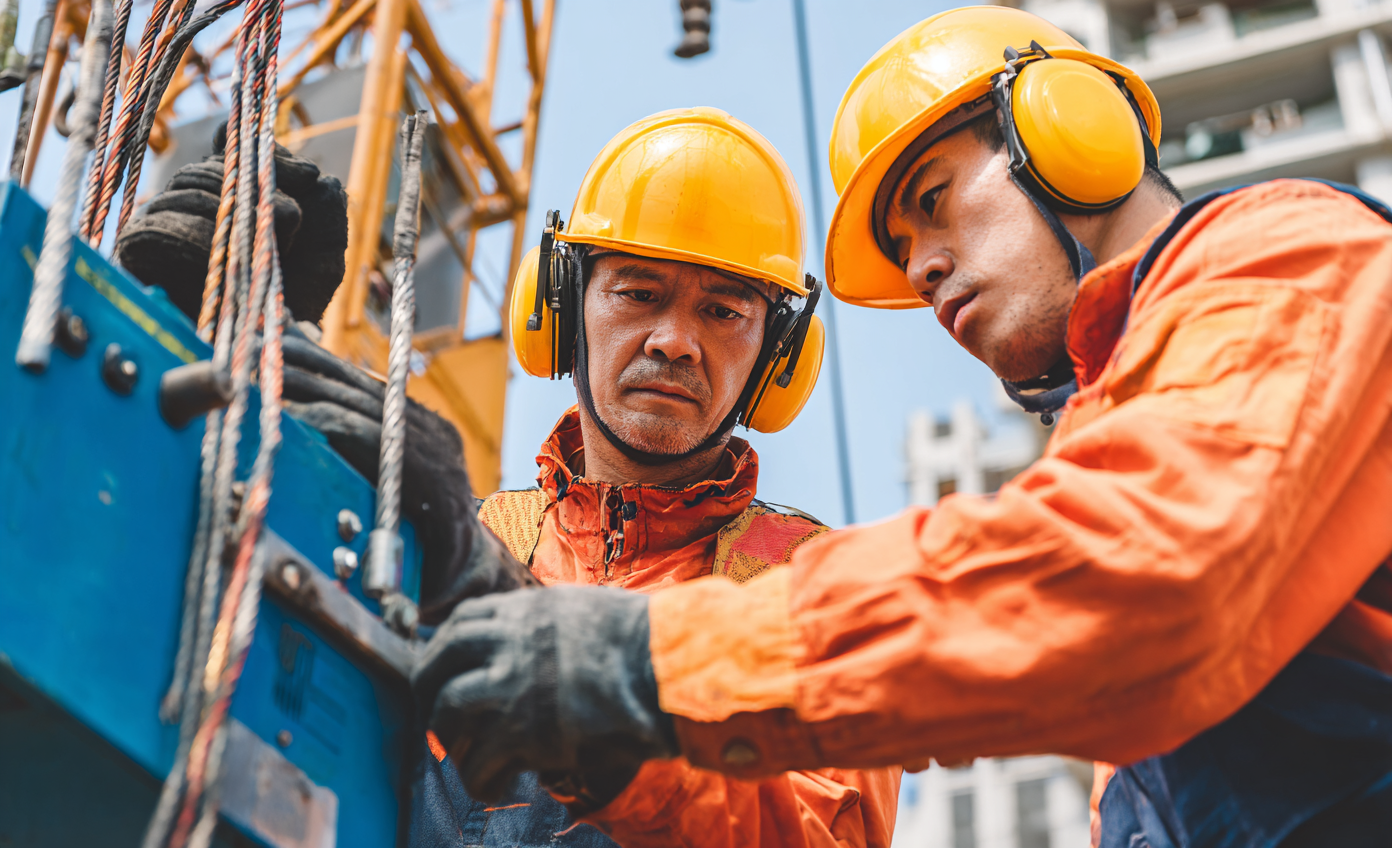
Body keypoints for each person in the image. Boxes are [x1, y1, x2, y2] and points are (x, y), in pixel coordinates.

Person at [411, 8, 1392, 848]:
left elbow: (1134, 574)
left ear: (1073, 130)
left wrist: (645, 665)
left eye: (931, 202)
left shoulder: (1285, 259)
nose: (921, 267)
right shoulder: (1125, 442)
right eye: (637, 292)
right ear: (563, 307)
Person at [121, 113, 901, 847]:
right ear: (560, 306)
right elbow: (247, 672)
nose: (674, 341)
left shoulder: (821, 592)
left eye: (724, 312)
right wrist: (204, 361)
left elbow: (822, 832)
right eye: (638, 293)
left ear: (778, 354)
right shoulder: (451, 538)